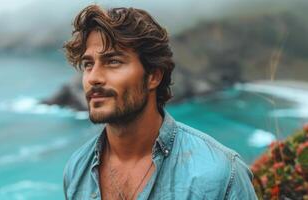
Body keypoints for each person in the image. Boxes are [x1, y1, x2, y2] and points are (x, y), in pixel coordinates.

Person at [63, 4, 258, 200]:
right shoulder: (77, 169)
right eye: (88, 64)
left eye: (113, 61)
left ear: (153, 76)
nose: (93, 78)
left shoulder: (221, 172)